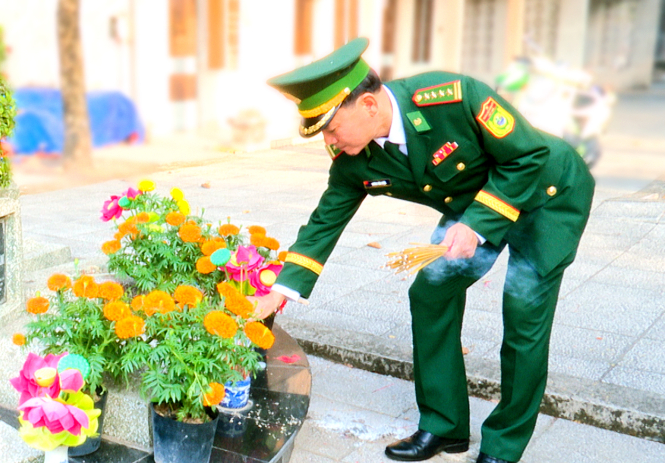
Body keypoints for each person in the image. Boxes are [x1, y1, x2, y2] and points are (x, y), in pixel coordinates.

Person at [250, 38, 595, 463]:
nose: (332, 141)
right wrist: (279, 292)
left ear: (369, 107)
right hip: (473, 207)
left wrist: (476, 225)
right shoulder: (354, 159)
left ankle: (503, 447)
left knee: (523, 316)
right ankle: (444, 426)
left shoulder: (451, 96)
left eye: (333, 128)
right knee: (430, 295)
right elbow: (324, 222)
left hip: (547, 195)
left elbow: (528, 156)